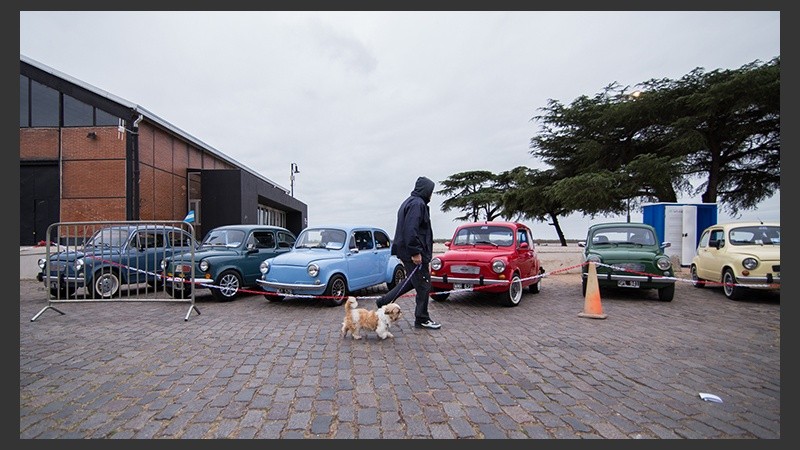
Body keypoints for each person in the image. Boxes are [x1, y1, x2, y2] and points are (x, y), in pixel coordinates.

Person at [375, 176, 441, 330]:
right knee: (424, 285)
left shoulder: (410, 202)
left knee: (412, 281)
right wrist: (416, 252)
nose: (432, 195)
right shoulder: (417, 204)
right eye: (431, 191)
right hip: (413, 253)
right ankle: (422, 319)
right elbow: (411, 230)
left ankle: (384, 301)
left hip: (407, 252)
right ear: (426, 190)